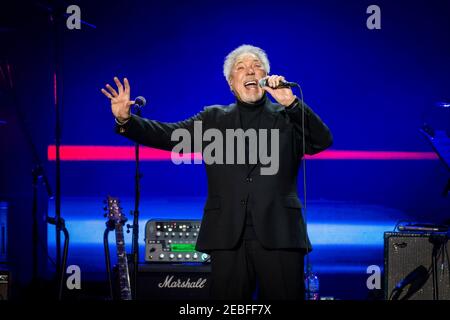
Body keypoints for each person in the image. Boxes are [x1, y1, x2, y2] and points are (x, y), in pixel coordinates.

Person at [101, 44, 333, 300]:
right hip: (227, 235)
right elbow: (169, 136)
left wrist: (291, 102)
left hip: (280, 232)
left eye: (257, 66)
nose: (250, 71)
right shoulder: (214, 119)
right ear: (231, 83)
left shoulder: (288, 115)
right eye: (241, 68)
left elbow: (322, 140)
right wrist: (126, 121)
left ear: (267, 77)